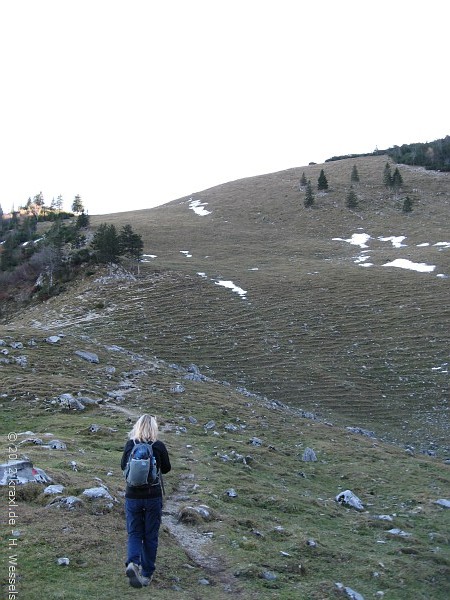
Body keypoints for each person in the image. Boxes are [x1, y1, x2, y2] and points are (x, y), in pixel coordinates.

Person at [121, 414, 171, 588]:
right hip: (152, 497)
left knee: (135, 533)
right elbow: (167, 468)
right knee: (150, 536)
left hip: (133, 497)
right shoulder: (158, 446)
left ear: (137, 427)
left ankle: (132, 563)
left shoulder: (130, 445)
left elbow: (122, 467)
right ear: (154, 428)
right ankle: (147, 574)